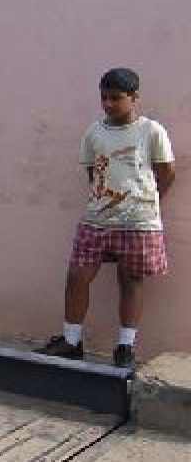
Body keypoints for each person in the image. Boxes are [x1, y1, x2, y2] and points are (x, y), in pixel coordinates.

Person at [35, 68, 175, 370]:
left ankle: (125, 347)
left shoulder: (151, 131)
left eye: (116, 98)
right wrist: (105, 201)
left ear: (134, 98)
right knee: (77, 276)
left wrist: (147, 203)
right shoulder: (94, 133)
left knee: (131, 280)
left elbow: (166, 173)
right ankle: (71, 341)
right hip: (96, 219)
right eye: (104, 98)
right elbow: (93, 174)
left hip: (138, 222)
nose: (108, 104)